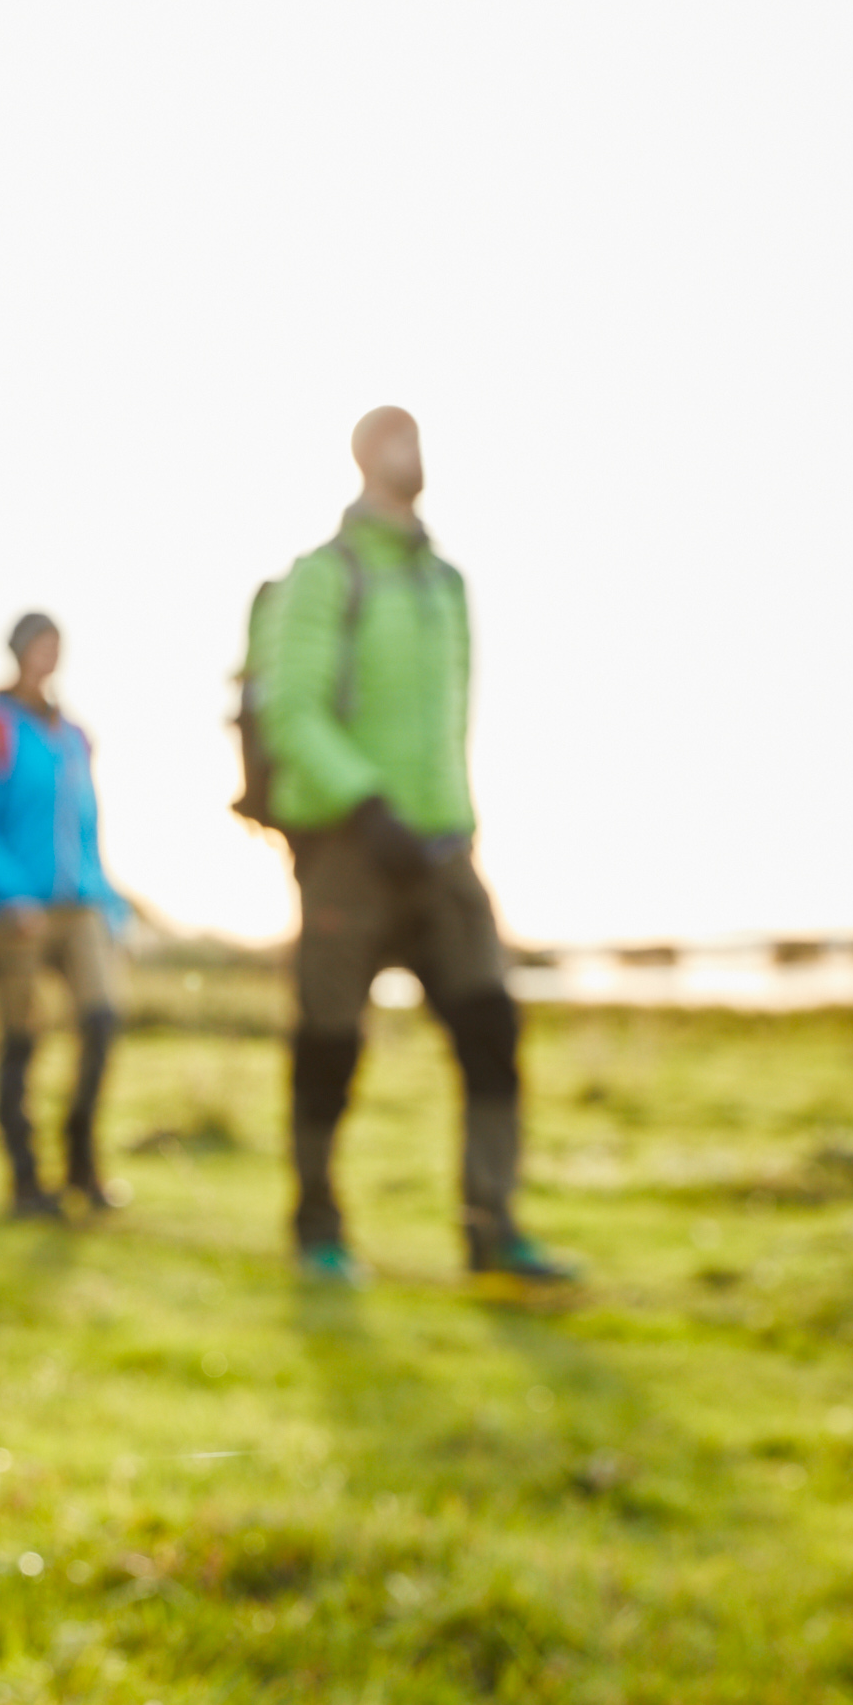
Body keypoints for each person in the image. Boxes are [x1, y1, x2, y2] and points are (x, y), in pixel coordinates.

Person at [252, 407, 570, 1286]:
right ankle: (317, 1225)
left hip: (444, 851)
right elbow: (292, 711)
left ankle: (491, 1224)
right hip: (352, 849)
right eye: (395, 435)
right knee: (330, 1043)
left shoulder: (446, 585)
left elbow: (451, 719)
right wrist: (366, 808)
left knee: (492, 1031)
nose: (413, 447)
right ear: (363, 455)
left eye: (417, 434)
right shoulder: (327, 575)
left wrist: (456, 819)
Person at [0, 613, 128, 1218]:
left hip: (79, 905)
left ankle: (81, 1161)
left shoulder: (73, 736)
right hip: (13, 910)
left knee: (102, 1019)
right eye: (40, 646)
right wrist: (8, 895)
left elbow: (87, 829)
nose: (49, 657)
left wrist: (110, 904)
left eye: (57, 647)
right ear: (20, 653)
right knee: (22, 1037)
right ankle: (27, 1183)